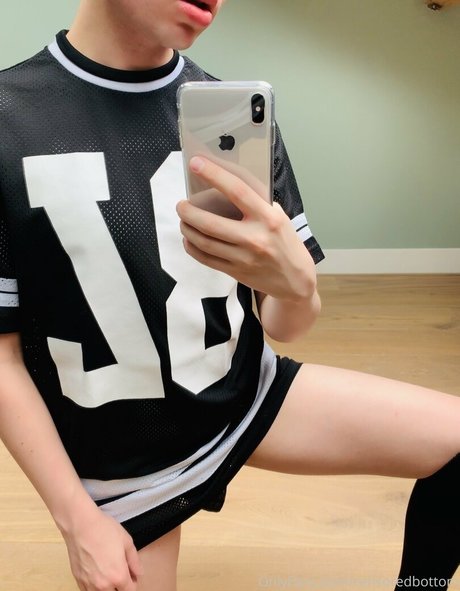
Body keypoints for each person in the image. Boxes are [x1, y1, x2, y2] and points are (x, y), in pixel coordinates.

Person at [0, 1, 458, 591]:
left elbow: (285, 325)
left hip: (243, 393)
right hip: (125, 464)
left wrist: (297, 285)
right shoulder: (10, 118)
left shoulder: (233, 117)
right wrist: (76, 519)